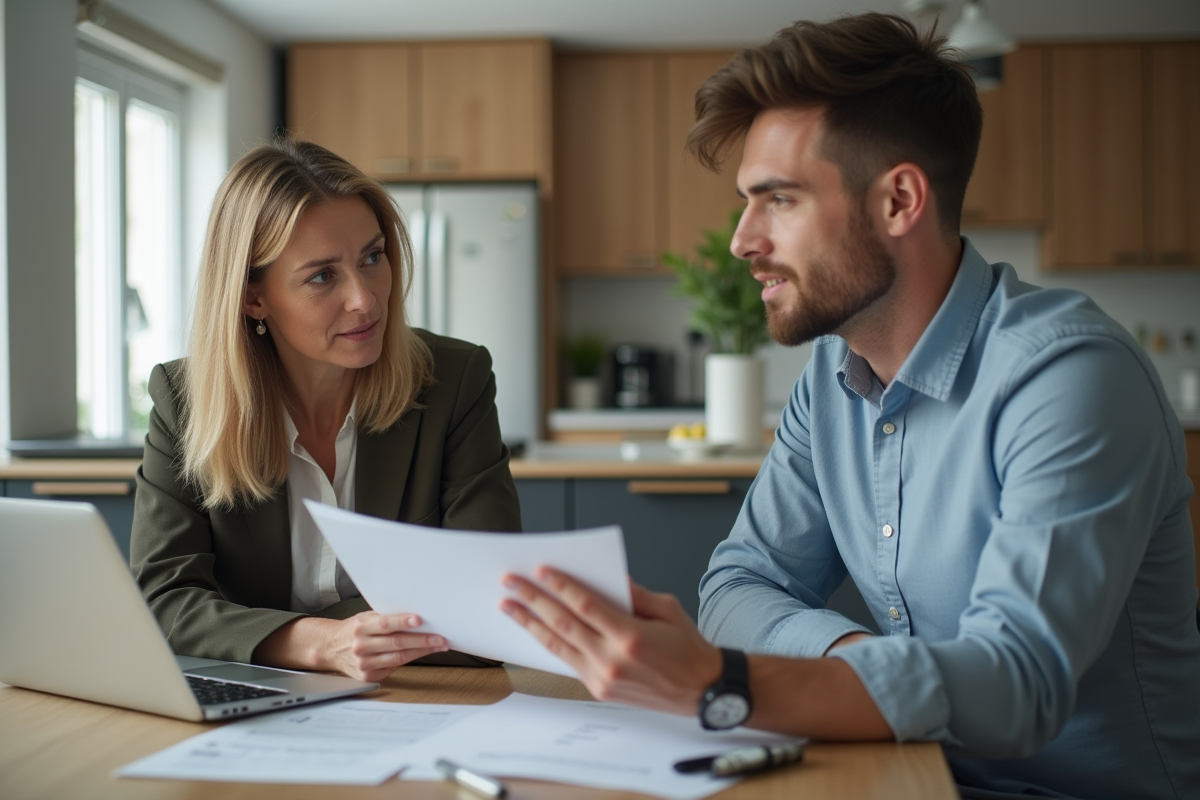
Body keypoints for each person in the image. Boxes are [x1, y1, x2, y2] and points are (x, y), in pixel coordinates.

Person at [500, 13, 1200, 799]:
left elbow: (1015, 685)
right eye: (746, 201)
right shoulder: (833, 376)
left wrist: (724, 679)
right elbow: (737, 584)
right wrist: (847, 663)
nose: (741, 240)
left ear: (899, 200)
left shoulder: (1068, 378)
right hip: (895, 767)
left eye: (780, 200)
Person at [132, 139, 522, 682]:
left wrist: (261, 630)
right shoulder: (186, 399)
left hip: (415, 702)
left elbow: (488, 610)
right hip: (253, 706)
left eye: (373, 257)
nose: (365, 298)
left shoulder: (456, 380)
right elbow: (161, 602)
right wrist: (318, 642)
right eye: (322, 276)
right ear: (253, 298)